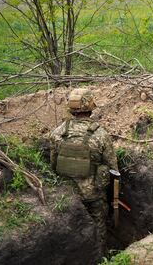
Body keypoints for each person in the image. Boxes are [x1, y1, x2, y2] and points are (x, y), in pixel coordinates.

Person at [48, 88, 118, 253]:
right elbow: (114, 168)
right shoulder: (100, 135)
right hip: (93, 194)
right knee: (99, 225)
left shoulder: (57, 133)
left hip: (66, 194)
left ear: (71, 109)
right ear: (91, 107)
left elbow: (53, 164)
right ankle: (100, 256)